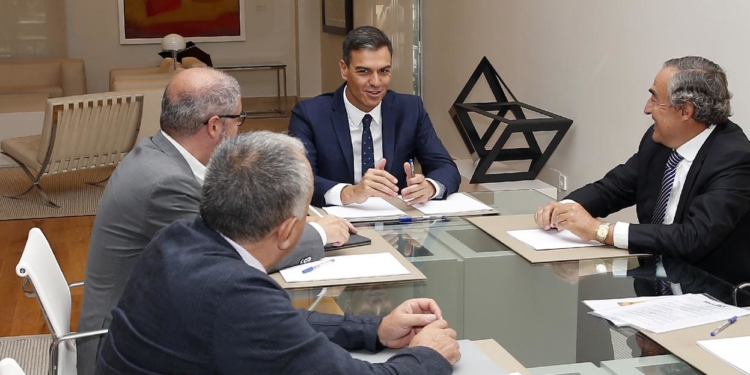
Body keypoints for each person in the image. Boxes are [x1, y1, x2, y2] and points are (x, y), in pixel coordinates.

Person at [95, 131, 461, 374]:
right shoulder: (233, 294)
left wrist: (375, 330)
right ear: (287, 230)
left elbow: (283, 325)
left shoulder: (179, 238)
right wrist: (428, 356)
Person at [77, 68, 355, 375]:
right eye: (238, 119)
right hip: (122, 347)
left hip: (146, 326)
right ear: (213, 126)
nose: (239, 128)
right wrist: (318, 232)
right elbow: (236, 249)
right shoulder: (166, 183)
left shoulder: (157, 153)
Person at [534, 56, 750, 285]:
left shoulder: (735, 159)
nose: (647, 108)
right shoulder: (658, 141)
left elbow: (692, 237)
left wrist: (599, 231)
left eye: (655, 99)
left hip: (712, 295)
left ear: (685, 111)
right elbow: (614, 188)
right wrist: (565, 209)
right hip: (652, 282)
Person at [288, 26, 460, 207]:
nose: (376, 82)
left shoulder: (409, 109)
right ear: (344, 69)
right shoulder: (310, 115)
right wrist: (349, 192)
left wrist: (430, 187)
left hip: (395, 222)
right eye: (364, 71)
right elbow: (298, 180)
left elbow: (445, 167)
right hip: (337, 221)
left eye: (384, 71)